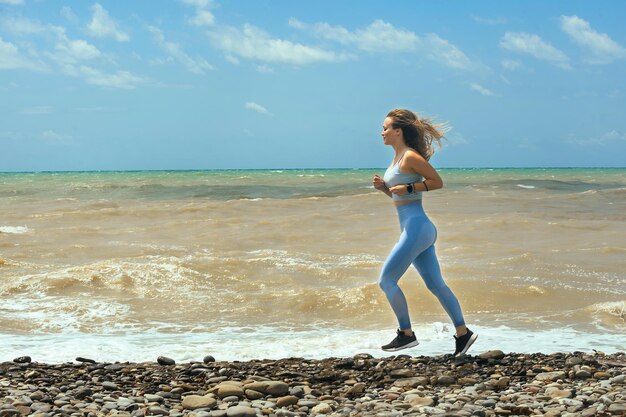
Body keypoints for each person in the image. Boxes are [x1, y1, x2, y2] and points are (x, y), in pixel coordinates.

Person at [372, 108, 477, 356]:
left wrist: (407, 187)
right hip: (417, 228)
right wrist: (385, 190)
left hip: (417, 228)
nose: (382, 132)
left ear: (399, 131)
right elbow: (401, 195)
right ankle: (464, 334)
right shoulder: (398, 158)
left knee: (386, 281)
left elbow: (437, 182)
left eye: (386, 128)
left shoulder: (410, 157)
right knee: (436, 284)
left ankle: (406, 335)